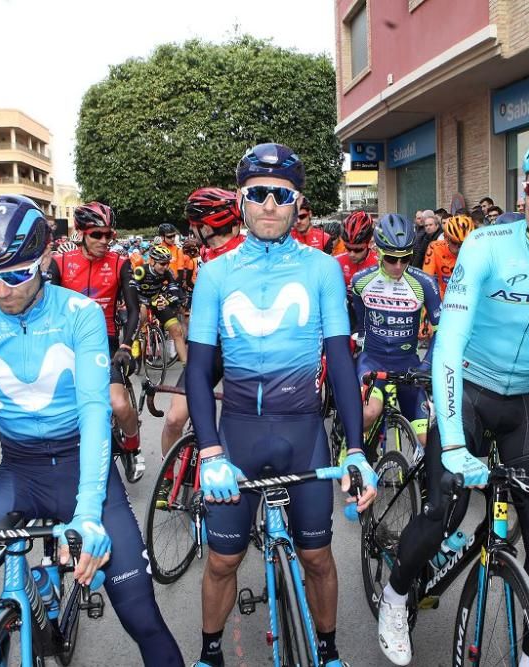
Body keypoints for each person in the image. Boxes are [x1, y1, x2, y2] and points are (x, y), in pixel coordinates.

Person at [376, 131, 529, 666]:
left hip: (524, 404)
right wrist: (450, 444)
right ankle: (396, 596)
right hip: (465, 390)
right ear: (523, 193)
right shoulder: (486, 245)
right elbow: (449, 341)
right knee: (446, 506)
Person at [0, 194, 184, 666]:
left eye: (15, 274)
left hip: (82, 469)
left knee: (142, 617)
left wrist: (90, 510)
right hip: (18, 475)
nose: (2, 290)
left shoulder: (80, 315)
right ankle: (1, 640)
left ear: (46, 258)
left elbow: (97, 410)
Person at [186, 143, 376, 667]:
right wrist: (209, 450)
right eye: (259, 194)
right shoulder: (215, 275)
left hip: (304, 432)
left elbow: (340, 362)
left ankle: (331, 652)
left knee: (317, 555)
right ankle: (210, 653)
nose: (270, 205)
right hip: (240, 432)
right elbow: (198, 370)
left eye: (282, 195)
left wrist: (356, 450)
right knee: (223, 561)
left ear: (297, 203)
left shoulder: (321, 269)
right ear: (242, 201)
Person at [153, 186, 246, 509]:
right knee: (175, 418)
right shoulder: (202, 255)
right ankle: (168, 477)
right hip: (207, 348)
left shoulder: (250, 252)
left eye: (198, 226)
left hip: (241, 350)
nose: (194, 232)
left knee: (238, 429)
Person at [48, 202, 143, 482]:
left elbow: (134, 309)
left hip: (107, 343)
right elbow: (48, 308)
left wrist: (126, 346)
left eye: (108, 235)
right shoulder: (61, 263)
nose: (104, 241)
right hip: (67, 344)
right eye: (96, 235)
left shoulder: (119, 263)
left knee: (118, 404)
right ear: (81, 233)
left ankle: (133, 446)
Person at [351, 214, 441, 449]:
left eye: (406, 258)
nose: (399, 266)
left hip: (409, 364)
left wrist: (426, 366)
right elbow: (360, 321)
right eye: (391, 259)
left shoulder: (424, 284)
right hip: (373, 362)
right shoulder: (361, 281)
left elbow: (441, 333)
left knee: (428, 442)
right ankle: (348, 445)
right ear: (377, 250)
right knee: (370, 413)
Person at [135, 244, 188, 364]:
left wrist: (168, 300)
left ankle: (187, 367)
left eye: (167, 263)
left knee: (176, 330)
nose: (166, 267)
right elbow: (130, 292)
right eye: (162, 264)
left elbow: (174, 290)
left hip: (156, 301)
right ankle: (135, 338)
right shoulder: (141, 271)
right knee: (142, 312)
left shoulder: (167, 273)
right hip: (140, 300)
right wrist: (146, 302)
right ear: (152, 261)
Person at [422, 213, 474, 298]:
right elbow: (427, 278)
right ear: (446, 238)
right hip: (445, 299)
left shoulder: (477, 250)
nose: (460, 248)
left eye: (464, 244)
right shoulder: (435, 247)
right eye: (455, 243)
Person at [335, 210, 377, 287]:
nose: (352, 254)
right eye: (348, 248)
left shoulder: (380, 264)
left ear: (369, 242)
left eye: (358, 250)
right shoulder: (335, 262)